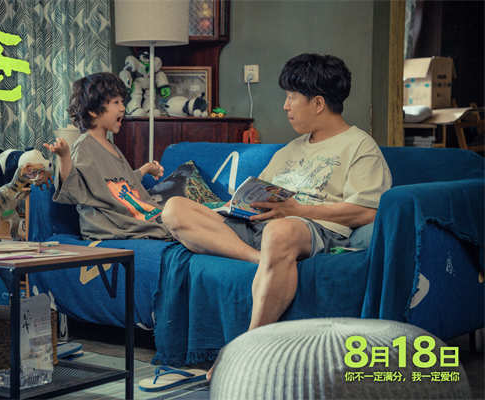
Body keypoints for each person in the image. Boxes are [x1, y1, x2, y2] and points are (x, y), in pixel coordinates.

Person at [161, 53, 392, 379]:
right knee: (175, 209)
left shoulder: (360, 147)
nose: (285, 106)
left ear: (318, 103)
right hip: (262, 225)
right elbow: (262, 191)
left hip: (310, 227)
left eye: (291, 97)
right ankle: (262, 260)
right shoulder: (291, 149)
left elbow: (368, 210)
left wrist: (299, 211)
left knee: (280, 232)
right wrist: (236, 206)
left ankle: (246, 350)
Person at [44, 72, 172, 240]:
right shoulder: (84, 147)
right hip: (112, 227)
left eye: (122, 102)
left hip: (133, 220)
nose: (122, 108)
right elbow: (74, 188)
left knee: (179, 209)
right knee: (177, 210)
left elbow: (121, 184)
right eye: (116, 102)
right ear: (93, 111)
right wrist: (64, 156)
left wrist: (145, 169)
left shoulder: (111, 147)